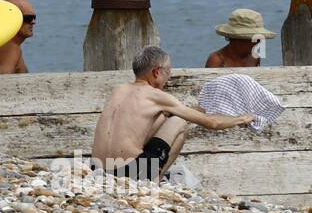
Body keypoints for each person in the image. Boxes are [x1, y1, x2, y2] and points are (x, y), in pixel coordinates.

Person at [91, 45, 254, 181]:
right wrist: (242, 118)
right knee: (179, 122)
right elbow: (212, 123)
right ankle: (153, 182)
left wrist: (186, 110)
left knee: (164, 117)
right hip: (130, 172)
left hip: (97, 170)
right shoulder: (156, 96)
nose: (167, 79)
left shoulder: (118, 90)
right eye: (167, 73)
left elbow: (140, 121)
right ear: (156, 72)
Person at [205, 8, 277, 68]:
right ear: (236, 38)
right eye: (254, 39)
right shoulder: (217, 60)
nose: (258, 42)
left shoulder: (254, 58)